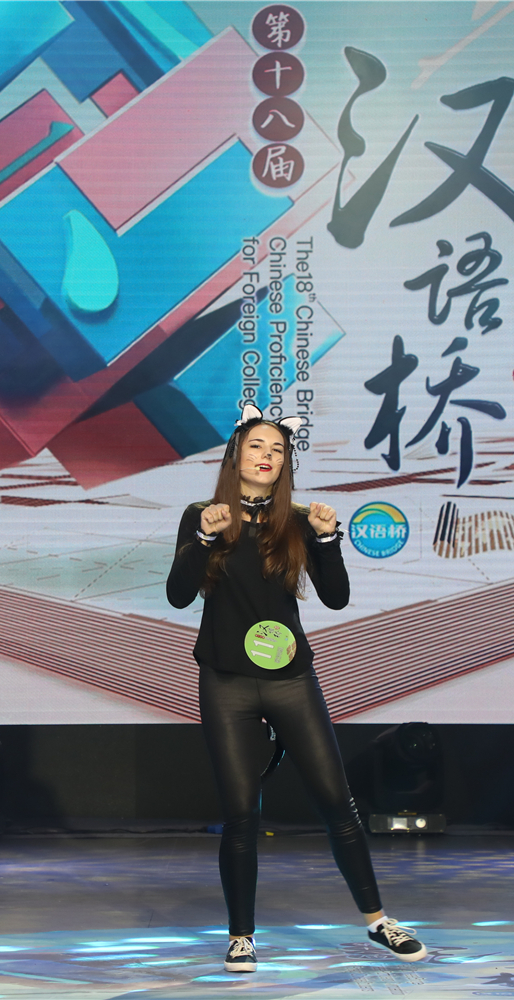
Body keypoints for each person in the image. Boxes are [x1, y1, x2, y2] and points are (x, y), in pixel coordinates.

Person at [167, 406, 427, 973]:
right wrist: (204, 538)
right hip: (227, 681)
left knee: (337, 803)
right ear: (235, 455)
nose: (267, 456)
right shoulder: (201, 515)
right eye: (257, 446)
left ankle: (379, 921)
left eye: (278, 450)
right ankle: (241, 936)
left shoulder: (301, 520)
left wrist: (329, 539)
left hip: (290, 678)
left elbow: (336, 597)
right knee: (240, 813)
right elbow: (178, 596)